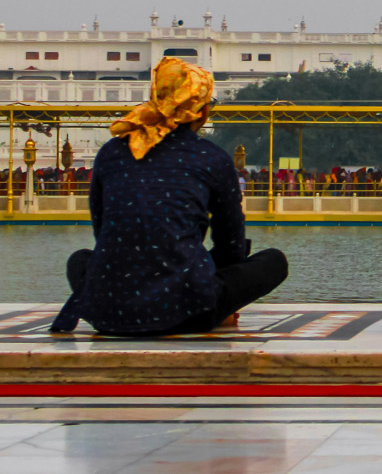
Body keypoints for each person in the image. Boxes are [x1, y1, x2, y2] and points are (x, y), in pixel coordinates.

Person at [52, 58, 287, 336]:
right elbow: (231, 245)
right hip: (189, 312)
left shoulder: (111, 152)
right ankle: (212, 305)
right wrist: (221, 294)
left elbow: (102, 231)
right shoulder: (211, 157)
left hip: (108, 312)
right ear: (201, 112)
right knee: (274, 261)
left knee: (80, 259)